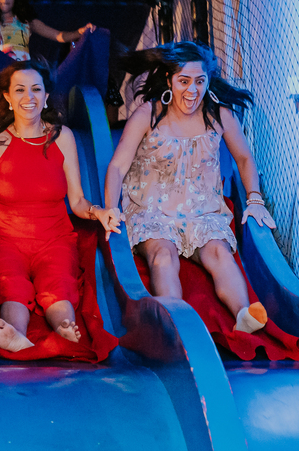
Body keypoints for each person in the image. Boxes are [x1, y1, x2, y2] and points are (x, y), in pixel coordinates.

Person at [103, 41, 275, 333]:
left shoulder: (218, 116)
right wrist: (110, 207)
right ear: (169, 80)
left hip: (201, 209)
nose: (192, 90)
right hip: (152, 209)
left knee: (219, 252)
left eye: (199, 81)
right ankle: (175, 325)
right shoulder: (150, 114)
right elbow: (118, 166)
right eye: (184, 81)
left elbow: (244, 158)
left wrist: (255, 198)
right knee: (163, 256)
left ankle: (244, 316)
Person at [0, 62, 120, 352]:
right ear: (7, 97)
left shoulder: (62, 137)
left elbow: (77, 201)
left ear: (46, 97)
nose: (28, 97)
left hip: (54, 237)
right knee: (12, 287)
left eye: (36, 89)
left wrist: (99, 212)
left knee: (57, 286)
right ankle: (15, 334)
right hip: (5, 238)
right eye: (19, 90)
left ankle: (65, 328)